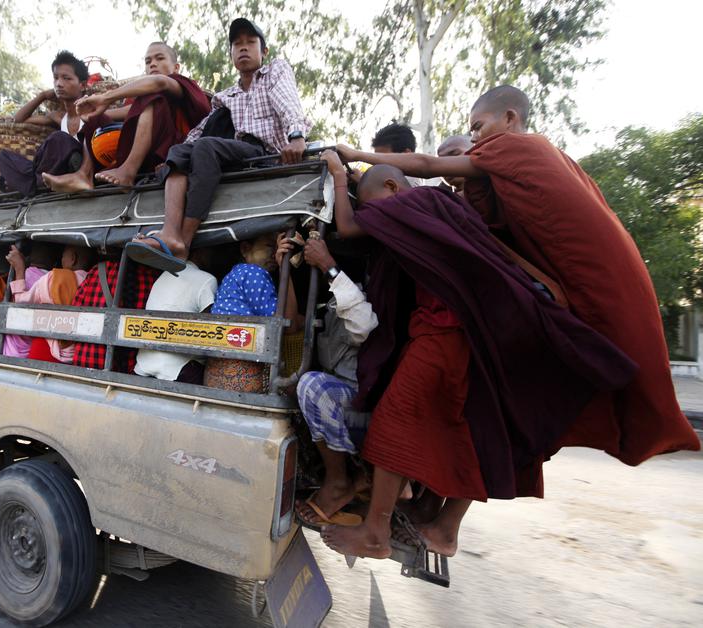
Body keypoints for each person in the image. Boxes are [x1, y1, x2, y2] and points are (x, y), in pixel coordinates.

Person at [335, 85, 700, 470]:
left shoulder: (516, 146)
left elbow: (425, 166)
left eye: (478, 127)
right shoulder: (532, 160)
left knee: (614, 355)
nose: (476, 140)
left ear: (510, 118)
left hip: (577, 276)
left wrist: (356, 156)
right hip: (579, 275)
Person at [317, 154, 639, 560]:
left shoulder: (414, 203)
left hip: (442, 333)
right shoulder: (440, 207)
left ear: (393, 188)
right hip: (457, 334)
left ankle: (375, 534)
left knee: (393, 421)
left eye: (372, 205)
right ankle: (432, 519)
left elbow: (348, 227)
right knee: (459, 429)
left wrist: (337, 175)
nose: (373, 217)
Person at [124, 18, 309, 274]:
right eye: (237, 44)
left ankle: (183, 242)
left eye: (250, 42)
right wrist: (172, 161)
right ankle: (170, 233)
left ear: (263, 51)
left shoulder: (274, 72)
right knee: (180, 151)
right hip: (236, 152)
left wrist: (297, 136)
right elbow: (200, 130)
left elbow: (288, 103)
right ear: (231, 53)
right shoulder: (226, 96)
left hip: (265, 153)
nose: (243, 47)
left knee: (205, 147)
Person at [292, 236, 379, 528]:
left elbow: (363, 326)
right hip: (350, 403)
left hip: (368, 409)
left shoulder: (360, 294)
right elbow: (291, 322)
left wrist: (329, 266)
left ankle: (339, 481)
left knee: (312, 387)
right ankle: (356, 479)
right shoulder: (327, 303)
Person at [43, 42, 211, 191]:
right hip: (144, 151)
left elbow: (159, 83)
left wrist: (106, 98)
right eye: (148, 61)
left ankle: (128, 171)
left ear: (176, 67)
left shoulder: (182, 84)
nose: (153, 64)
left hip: (174, 152)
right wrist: (96, 112)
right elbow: (131, 111)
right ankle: (84, 175)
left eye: (160, 58)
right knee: (95, 115)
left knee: (153, 95)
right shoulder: (141, 96)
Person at [204, 232, 303, 392]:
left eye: (277, 248)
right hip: (242, 377)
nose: (275, 253)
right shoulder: (253, 273)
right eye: (270, 246)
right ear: (245, 249)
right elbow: (289, 325)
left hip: (216, 375)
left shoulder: (235, 274)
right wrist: (284, 267)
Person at [0, 51, 90, 196]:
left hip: (73, 166)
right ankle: (39, 184)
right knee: (3, 157)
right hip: (50, 170)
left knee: (59, 138)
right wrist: (42, 96)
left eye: (66, 78)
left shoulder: (91, 112)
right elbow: (18, 120)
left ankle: (28, 185)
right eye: (56, 78)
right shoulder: (58, 117)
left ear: (82, 85)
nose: (59, 84)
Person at [134, 249, 218, 384]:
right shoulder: (207, 279)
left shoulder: (164, 275)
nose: (214, 256)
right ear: (199, 252)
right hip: (178, 371)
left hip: (143, 365)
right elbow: (209, 331)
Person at [68, 258, 160, 373]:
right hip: (126, 370)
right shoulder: (152, 278)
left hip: (86, 361)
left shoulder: (98, 270)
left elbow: (75, 315)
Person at [7, 244, 95, 363]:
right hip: (83, 354)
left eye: (63, 255)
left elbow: (22, 305)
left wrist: (19, 269)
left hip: (48, 353)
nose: (61, 259)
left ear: (73, 258)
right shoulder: (95, 283)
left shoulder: (55, 278)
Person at [0, 243, 57, 358]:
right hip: (34, 348)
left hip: (7, 346)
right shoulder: (54, 281)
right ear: (55, 263)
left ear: (28, 257)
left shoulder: (14, 276)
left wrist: (20, 269)